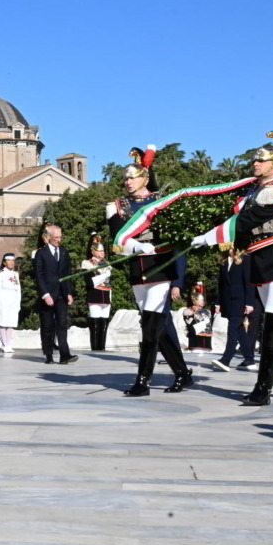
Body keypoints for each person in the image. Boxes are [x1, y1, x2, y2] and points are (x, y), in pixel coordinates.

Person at [192, 124, 273, 404]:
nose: (255, 164)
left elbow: (246, 220)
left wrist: (211, 236)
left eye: (261, 160)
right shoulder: (256, 192)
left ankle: (263, 389)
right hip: (260, 259)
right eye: (255, 160)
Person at [107, 145, 190, 396]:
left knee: (151, 324)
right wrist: (136, 246)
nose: (127, 181)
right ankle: (182, 373)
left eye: (132, 177)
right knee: (156, 326)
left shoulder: (161, 203)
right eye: (125, 178)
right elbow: (118, 238)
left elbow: (177, 242)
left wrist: (178, 278)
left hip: (160, 267)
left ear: (145, 178)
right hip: (138, 266)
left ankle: (143, 381)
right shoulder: (116, 206)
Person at [33, 225, 78, 365]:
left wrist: (69, 293)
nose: (59, 240)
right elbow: (39, 275)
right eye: (56, 237)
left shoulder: (64, 252)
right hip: (47, 294)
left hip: (61, 295)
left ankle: (65, 355)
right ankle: (48, 354)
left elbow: (67, 274)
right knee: (47, 325)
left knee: (62, 324)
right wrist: (45, 294)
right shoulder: (41, 253)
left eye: (60, 237)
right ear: (49, 237)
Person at [211, 250, 256, 372]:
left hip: (240, 301)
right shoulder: (224, 261)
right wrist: (218, 302)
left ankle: (226, 360)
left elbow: (249, 282)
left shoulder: (245, 259)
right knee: (239, 330)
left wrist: (249, 303)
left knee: (232, 329)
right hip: (228, 301)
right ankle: (249, 359)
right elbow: (221, 284)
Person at [81, 235, 113, 352]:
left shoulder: (107, 263)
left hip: (106, 295)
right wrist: (104, 275)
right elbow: (90, 282)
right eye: (99, 250)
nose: (102, 253)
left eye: (103, 250)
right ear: (93, 251)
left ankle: (102, 347)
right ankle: (95, 348)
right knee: (95, 323)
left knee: (104, 323)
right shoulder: (87, 263)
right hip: (94, 295)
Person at [0, 253, 22, 353]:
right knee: (3, 323)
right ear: (4, 262)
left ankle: (8, 344)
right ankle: (4, 344)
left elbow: (18, 289)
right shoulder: (0, 273)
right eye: (9, 260)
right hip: (3, 300)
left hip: (13, 301)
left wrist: (18, 303)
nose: (11, 262)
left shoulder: (15, 274)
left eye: (13, 260)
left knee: (11, 323)